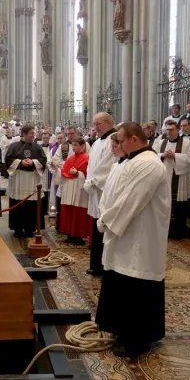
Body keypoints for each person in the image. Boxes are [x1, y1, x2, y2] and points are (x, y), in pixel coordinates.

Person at [95, 122, 170, 357]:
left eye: (122, 140)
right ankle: (122, 331)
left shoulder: (149, 164)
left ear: (135, 140)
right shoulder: (132, 161)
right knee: (121, 278)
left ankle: (137, 340)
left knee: (136, 283)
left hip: (140, 236)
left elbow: (131, 201)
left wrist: (106, 221)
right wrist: (105, 214)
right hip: (126, 232)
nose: (119, 145)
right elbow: (114, 191)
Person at [83, 113, 117, 275]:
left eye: (99, 124)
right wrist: (90, 181)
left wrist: (93, 181)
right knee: (96, 227)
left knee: (104, 226)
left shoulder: (114, 141)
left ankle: (104, 265)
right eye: (94, 124)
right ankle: (96, 264)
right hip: (94, 188)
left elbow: (107, 166)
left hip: (104, 189)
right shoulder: (97, 143)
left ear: (110, 123)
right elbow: (91, 165)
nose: (96, 127)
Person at [153, 121, 190, 239]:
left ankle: (178, 232)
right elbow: (151, 155)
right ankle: (162, 232)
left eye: (171, 129)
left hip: (179, 178)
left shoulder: (186, 143)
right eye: (167, 129)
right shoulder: (160, 142)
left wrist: (175, 156)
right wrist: (161, 155)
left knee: (178, 207)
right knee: (162, 206)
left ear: (178, 130)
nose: (169, 132)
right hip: (163, 177)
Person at [6, 124, 47, 237]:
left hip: (32, 179)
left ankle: (30, 228)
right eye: (31, 133)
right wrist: (20, 162)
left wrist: (33, 162)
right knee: (18, 203)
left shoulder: (37, 147)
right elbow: (8, 160)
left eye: (34, 133)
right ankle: (18, 228)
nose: (34, 135)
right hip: (19, 178)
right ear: (24, 134)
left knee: (31, 204)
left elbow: (43, 160)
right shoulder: (14, 146)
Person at [56, 137, 90, 243]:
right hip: (69, 187)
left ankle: (79, 236)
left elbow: (88, 175)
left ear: (82, 146)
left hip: (79, 188)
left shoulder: (87, 158)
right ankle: (70, 234)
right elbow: (63, 173)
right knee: (69, 210)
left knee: (78, 212)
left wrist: (78, 173)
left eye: (76, 145)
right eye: (73, 145)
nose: (73, 147)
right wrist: (56, 169)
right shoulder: (70, 159)